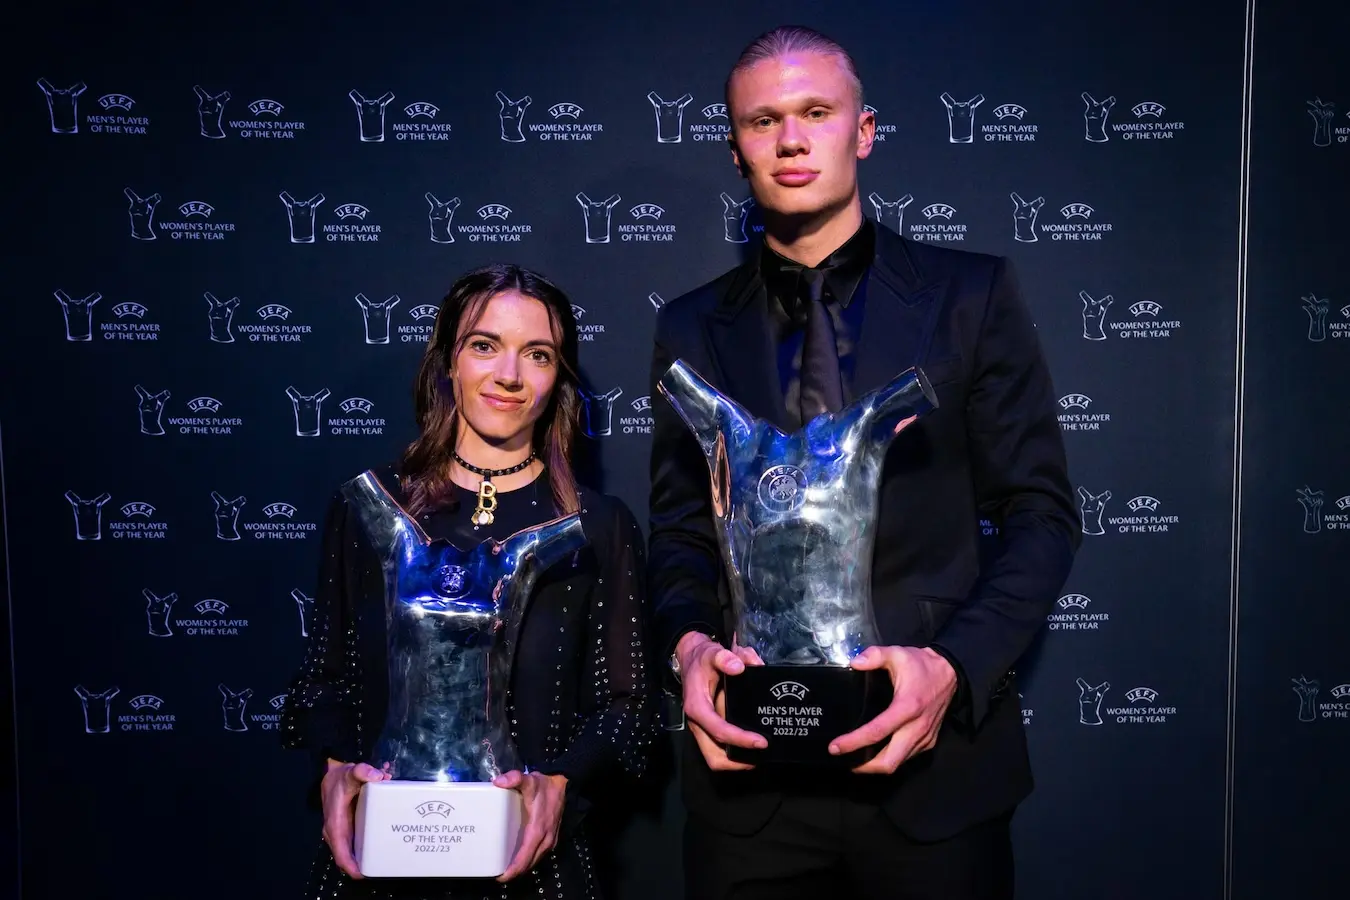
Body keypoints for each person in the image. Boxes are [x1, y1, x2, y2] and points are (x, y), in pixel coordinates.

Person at [647, 25, 1080, 900]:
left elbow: (1040, 515)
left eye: (816, 112)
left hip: (936, 786)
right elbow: (680, 534)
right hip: (748, 789)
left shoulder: (972, 295)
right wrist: (688, 648)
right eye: (763, 121)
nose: (792, 138)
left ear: (865, 130)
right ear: (736, 148)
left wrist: (950, 668)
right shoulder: (688, 329)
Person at [281, 263, 657, 899]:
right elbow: (326, 676)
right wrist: (336, 767)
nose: (508, 376)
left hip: (535, 870)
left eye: (536, 354)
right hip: (379, 863)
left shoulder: (598, 525)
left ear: (556, 379)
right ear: (448, 361)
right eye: (485, 346)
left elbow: (629, 704)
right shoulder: (369, 506)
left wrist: (560, 782)